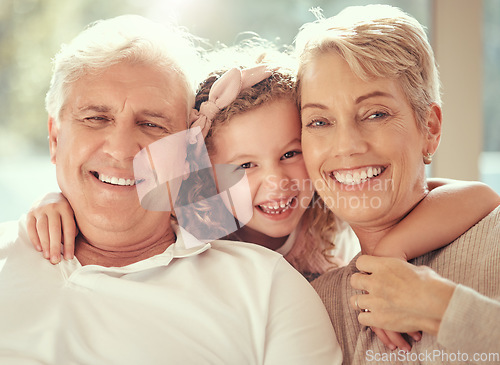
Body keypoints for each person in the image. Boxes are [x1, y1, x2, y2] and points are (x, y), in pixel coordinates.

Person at [0, 15, 343, 364]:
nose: (120, 149)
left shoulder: (269, 286)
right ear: (55, 138)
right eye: (96, 118)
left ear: (185, 153)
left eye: (151, 124)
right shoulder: (15, 251)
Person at [27, 45, 495, 285]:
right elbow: (117, 198)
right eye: (245, 165)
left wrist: (387, 252)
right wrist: (56, 202)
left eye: (291, 153)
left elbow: (480, 197)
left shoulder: (327, 206)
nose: (275, 180)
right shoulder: (192, 221)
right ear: (203, 174)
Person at [296, 4, 500, 363]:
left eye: (376, 114)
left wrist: (443, 307)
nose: (347, 146)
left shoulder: (494, 236)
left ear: (430, 129)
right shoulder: (313, 304)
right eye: (319, 122)